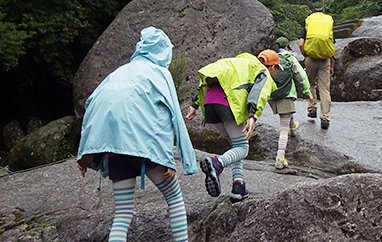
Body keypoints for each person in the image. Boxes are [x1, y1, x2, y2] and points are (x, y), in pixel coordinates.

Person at [76, 26, 197, 242]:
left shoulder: (118, 73)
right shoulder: (160, 74)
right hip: (147, 152)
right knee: (174, 199)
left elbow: (92, 107)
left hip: (116, 153)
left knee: (122, 215)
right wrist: (173, 159)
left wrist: (86, 154)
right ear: (163, 51)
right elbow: (171, 116)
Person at [185, 51, 278, 202]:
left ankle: (238, 186)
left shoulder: (235, 63)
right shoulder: (262, 71)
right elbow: (258, 92)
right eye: (276, 69)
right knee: (243, 148)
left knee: (236, 144)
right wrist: (253, 116)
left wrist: (195, 103)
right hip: (227, 104)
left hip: (209, 103)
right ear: (272, 67)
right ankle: (217, 163)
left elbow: (208, 78)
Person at [270, 37, 315, 169]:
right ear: (286, 47)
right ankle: (280, 157)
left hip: (272, 96)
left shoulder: (270, 58)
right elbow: (300, 75)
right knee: (283, 129)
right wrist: (307, 91)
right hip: (286, 95)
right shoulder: (289, 58)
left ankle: (293, 126)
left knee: (287, 114)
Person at [298, 10, 335, 129]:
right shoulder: (327, 28)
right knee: (324, 89)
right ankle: (325, 117)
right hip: (325, 60)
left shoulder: (308, 26)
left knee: (311, 84)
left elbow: (300, 44)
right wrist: (332, 66)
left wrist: (306, 55)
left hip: (310, 59)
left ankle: (312, 108)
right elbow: (331, 47)